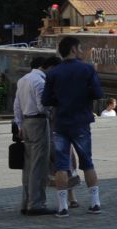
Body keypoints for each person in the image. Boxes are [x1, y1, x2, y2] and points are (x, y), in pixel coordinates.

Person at [43, 36, 104, 217]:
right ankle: (95, 203)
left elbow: (46, 100)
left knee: (61, 165)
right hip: (81, 121)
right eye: (79, 47)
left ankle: (62, 207)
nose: (81, 50)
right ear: (73, 49)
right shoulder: (87, 69)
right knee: (87, 162)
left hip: (61, 122)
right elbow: (98, 93)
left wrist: (60, 100)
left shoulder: (53, 73)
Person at [13, 55, 56, 215]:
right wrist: (51, 112)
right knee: (39, 165)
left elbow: (16, 105)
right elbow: (42, 106)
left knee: (28, 165)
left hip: (26, 122)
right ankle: (37, 204)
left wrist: (19, 125)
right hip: (39, 122)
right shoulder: (40, 81)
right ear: (47, 67)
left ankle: (26, 202)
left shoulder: (23, 79)